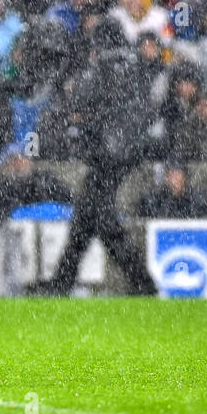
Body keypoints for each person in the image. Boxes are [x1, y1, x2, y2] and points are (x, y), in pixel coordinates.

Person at [42, 19, 157, 295]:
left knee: (100, 221)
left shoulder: (102, 68)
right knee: (86, 218)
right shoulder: (137, 66)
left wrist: (83, 120)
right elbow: (149, 111)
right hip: (128, 154)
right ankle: (62, 282)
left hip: (106, 155)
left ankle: (143, 283)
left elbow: (75, 101)